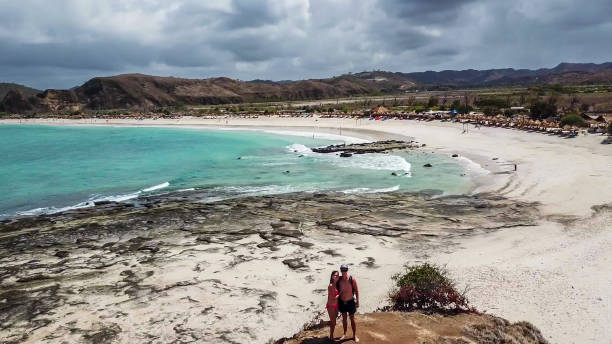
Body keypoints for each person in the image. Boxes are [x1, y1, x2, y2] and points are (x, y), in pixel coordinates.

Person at [337, 264, 359, 342]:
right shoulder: (339, 280)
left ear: (347, 270)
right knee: (344, 319)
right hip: (342, 302)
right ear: (340, 270)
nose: (343, 272)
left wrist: (358, 301)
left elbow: (356, 291)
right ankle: (344, 334)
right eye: (342, 270)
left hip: (350, 302)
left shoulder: (351, 279)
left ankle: (354, 335)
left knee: (352, 319)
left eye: (345, 270)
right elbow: (333, 284)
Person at [326, 271, 340, 341]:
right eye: (335, 275)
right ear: (332, 276)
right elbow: (332, 297)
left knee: (335, 318)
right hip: (331, 305)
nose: (336, 276)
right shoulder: (331, 285)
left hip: (336, 305)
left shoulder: (336, 284)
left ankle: (326, 323)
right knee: (334, 322)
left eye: (337, 275)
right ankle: (331, 336)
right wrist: (339, 295)